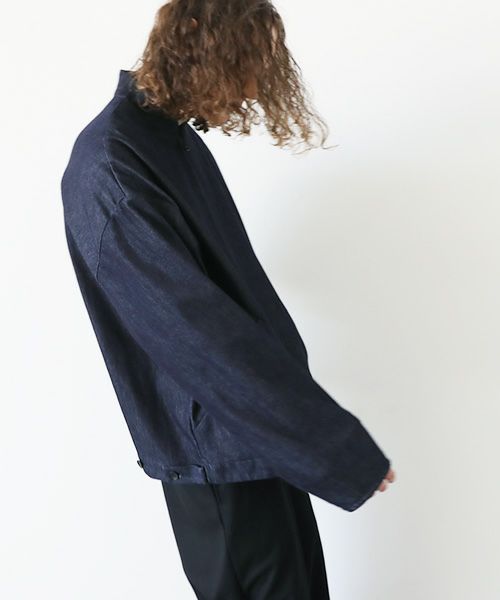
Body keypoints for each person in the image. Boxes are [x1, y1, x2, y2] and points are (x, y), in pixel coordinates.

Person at [60, 1, 395, 598]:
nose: (255, 85)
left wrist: (304, 437)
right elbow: (198, 334)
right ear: (194, 39)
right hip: (220, 456)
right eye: (247, 60)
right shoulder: (115, 161)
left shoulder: (164, 142)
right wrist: (333, 446)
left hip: (255, 438)